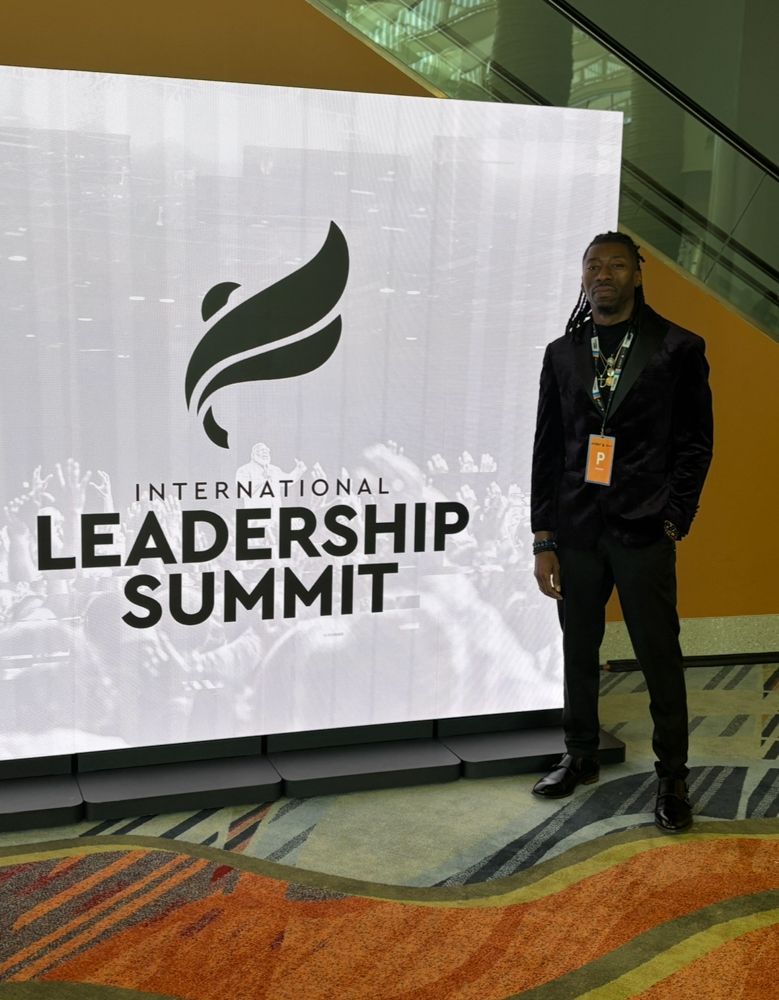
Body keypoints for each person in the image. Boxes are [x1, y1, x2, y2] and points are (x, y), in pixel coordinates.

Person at [530, 231, 713, 833]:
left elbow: (695, 443)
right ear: (583, 276)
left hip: (644, 528)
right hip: (576, 529)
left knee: (658, 654)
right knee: (578, 649)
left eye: (615, 264)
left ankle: (673, 776)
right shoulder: (563, 352)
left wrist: (674, 516)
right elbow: (548, 448)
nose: (603, 274)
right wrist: (544, 538)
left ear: (638, 272)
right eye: (593, 265)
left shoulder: (678, 347)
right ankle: (580, 754)